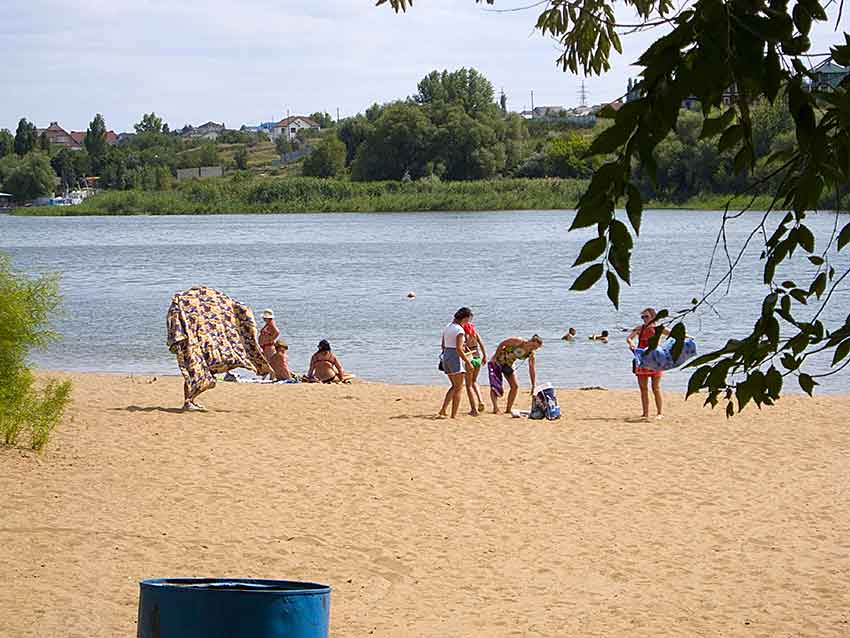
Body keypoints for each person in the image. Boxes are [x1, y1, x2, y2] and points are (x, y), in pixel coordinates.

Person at [627, 308, 668, 421]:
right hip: (642, 361)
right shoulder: (640, 328)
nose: (644, 319)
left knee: (656, 388)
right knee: (643, 389)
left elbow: (673, 334)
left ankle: (659, 413)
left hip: (655, 361)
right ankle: (645, 413)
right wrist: (631, 344)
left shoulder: (658, 329)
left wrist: (687, 337)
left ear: (653, 317)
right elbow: (629, 338)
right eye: (643, 317)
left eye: (647, 317)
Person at [488, 335, 543, 414]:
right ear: (530, 340)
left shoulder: (531, 354)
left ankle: (508, 409)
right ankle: (495, 408)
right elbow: (502, 344)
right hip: (497, 361)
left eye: (535, 348)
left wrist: (533, 385)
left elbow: (532, 369)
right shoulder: (518, 341)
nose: (533, 348)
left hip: (508, 365)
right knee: (495, 385)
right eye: (533, 345)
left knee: (515, 386)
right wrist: (495, 357)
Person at [438, 307, 473, 419]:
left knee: (454, 386)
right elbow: (459, 348)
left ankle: (443, 410)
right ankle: (453, 415)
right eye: (468, 320)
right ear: (465, 318)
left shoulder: (448, 327)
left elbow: (443, 345)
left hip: (446, 355)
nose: (468, 322)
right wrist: (468, 362)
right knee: (458, 387)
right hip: (454, 357)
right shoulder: (459, 330)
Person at [462, 318, 488, 416]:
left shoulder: (464, 336)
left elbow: (461, 348)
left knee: (468, 385)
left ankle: (473, 409)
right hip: (478, 358)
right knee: (474, 381)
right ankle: (480, 400)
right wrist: (485, 356)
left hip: (470, 359)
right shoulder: (475, 334)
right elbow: (481, 345)